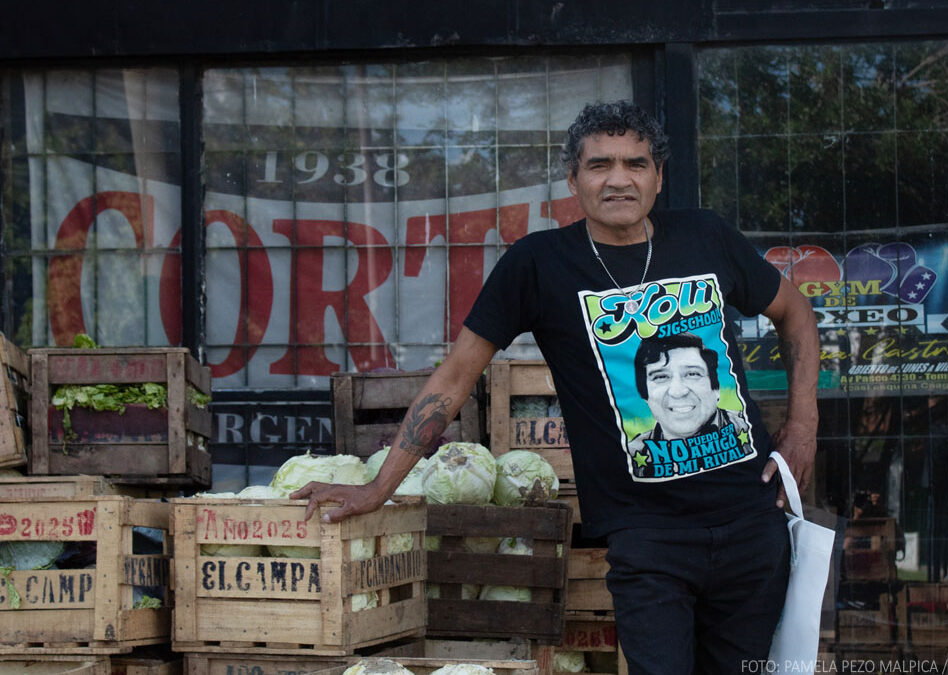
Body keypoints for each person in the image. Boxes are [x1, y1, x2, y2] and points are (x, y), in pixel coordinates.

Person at [292, 100, 820, 675]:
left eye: (636, 163)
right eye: (599, 165)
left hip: (750, 521)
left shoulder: (707, 237)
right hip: (647, 538)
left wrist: (803, 425)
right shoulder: (539, 264)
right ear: (573, 179)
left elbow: (795, 312)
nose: (619, 179)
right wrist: (378, 489)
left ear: (659, 176)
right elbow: (454, 378)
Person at [627, 332, 754, 471]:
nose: (678, 391)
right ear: (645, 395)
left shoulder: (745, 429)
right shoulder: (634, 453)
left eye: (692, 374)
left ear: (716, 388)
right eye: (661, 377)